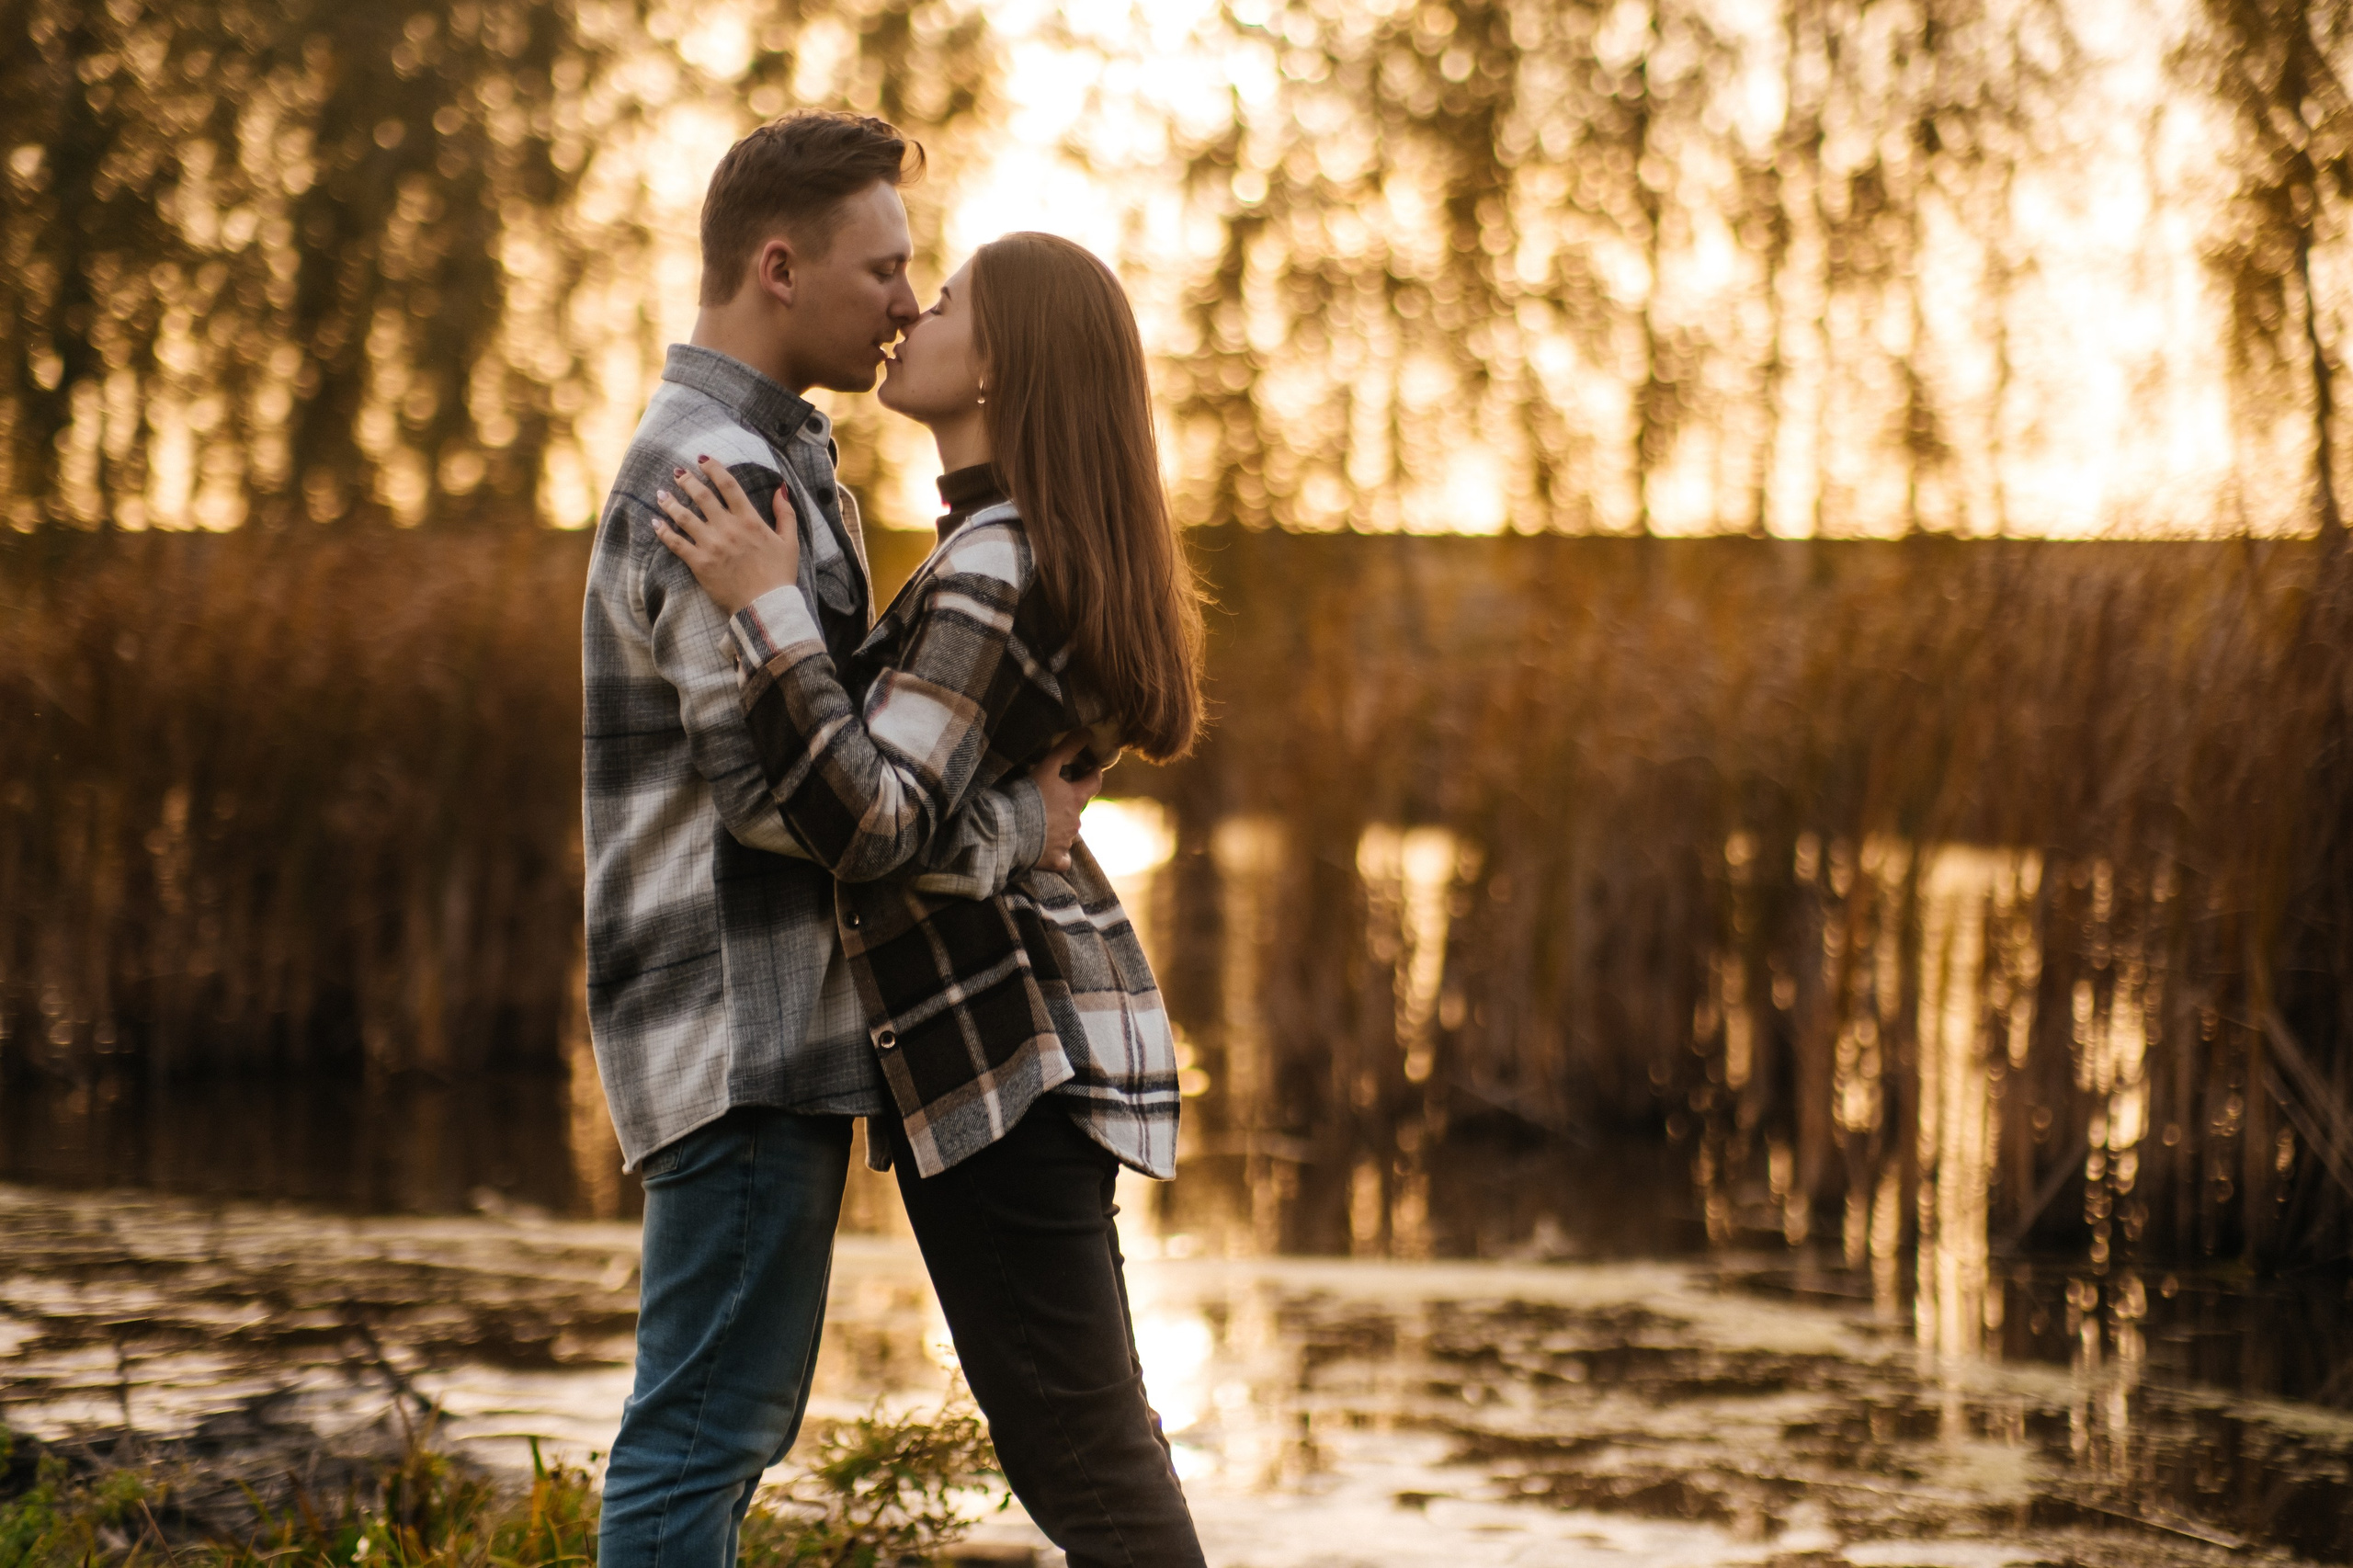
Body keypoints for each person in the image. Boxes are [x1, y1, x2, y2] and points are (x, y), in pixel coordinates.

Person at [580, 114, 1101, 1568]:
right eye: (886, 269)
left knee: (717, 1427)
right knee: (702, 1434)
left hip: (764, 1027)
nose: (904, 303)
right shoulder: (717, 478)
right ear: (778, 264)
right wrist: (1012, 829)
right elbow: (780, 793)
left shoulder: (778, 463)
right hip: (739, 1023)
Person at [648, 231, 1209, 1566]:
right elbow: (929, 810)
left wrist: (769, 609)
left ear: (1001, 357)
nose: (914, 311)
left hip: (1005, 1063)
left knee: (1085, 1457)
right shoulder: (1007, 547)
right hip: (1018, 1060)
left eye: (945, 297)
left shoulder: (997, 564)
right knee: (1084, 1441)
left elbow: (871, 818)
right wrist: (1017, 822)